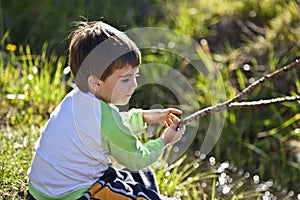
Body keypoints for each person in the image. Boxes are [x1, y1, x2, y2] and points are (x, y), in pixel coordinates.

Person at [26, 21, 185, 200]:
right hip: (71, 195)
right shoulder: (106, 119)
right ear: (96, 83)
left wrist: (147, 117)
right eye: (126, 79)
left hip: (38, 192)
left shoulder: (75, 99)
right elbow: (137, 160)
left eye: (136, 76)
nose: (134, 85)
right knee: (138, 187)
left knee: (129, 177)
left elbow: (106, 129)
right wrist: (165, 140)